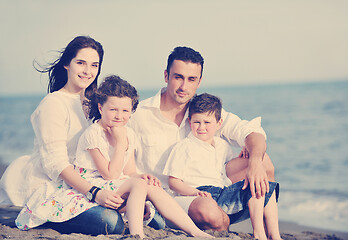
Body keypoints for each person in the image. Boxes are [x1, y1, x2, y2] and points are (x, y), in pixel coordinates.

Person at [15, 76, 212, 239]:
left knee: (149, 185)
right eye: (113, 110)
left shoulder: (129, 133)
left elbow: (129, 172)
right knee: (138, 187)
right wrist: (119, 144)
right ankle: (137, 235)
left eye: (125, 111)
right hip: (93, 184)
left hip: (115, 182)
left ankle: (194, 231)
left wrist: (142, 176)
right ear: (101, 108)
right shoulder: (94, 133)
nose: (119, 116)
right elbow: (110, 174)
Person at [128, 46, 277, 231]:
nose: (184, 87)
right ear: (166, 76)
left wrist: (254, 162)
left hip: (211, 188)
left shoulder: (203, 111)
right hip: (168, 198)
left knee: (264, 162)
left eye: (191, 79)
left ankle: (269, 234)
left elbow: (251, 132)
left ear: (199, 81)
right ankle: (221, 221)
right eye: (178, 77)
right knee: (211, 213)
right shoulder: (138, 115)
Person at [0, 36, 125, 235]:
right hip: (51, 184)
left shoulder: (97, 104)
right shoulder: (53, 103)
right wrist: (94, 193)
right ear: (67, 64)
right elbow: (56, 164)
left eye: (94, 65)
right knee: (110, 222)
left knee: (154, 219)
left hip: (88, 181)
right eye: (81, 63)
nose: (88, 71)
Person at [163, 93, 281, 240]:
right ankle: (259, 234)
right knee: (210, 205)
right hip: (198, 193)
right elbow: (173, 182)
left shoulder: (221, 145)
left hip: (222, 192)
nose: (202, 127)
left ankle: (268, 234)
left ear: (219, 124)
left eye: (207, 122)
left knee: (260, 185)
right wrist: (193, 192)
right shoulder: (184, 147)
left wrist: (246, 149)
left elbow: (230, 165)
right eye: (197, 122)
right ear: (189, 121)